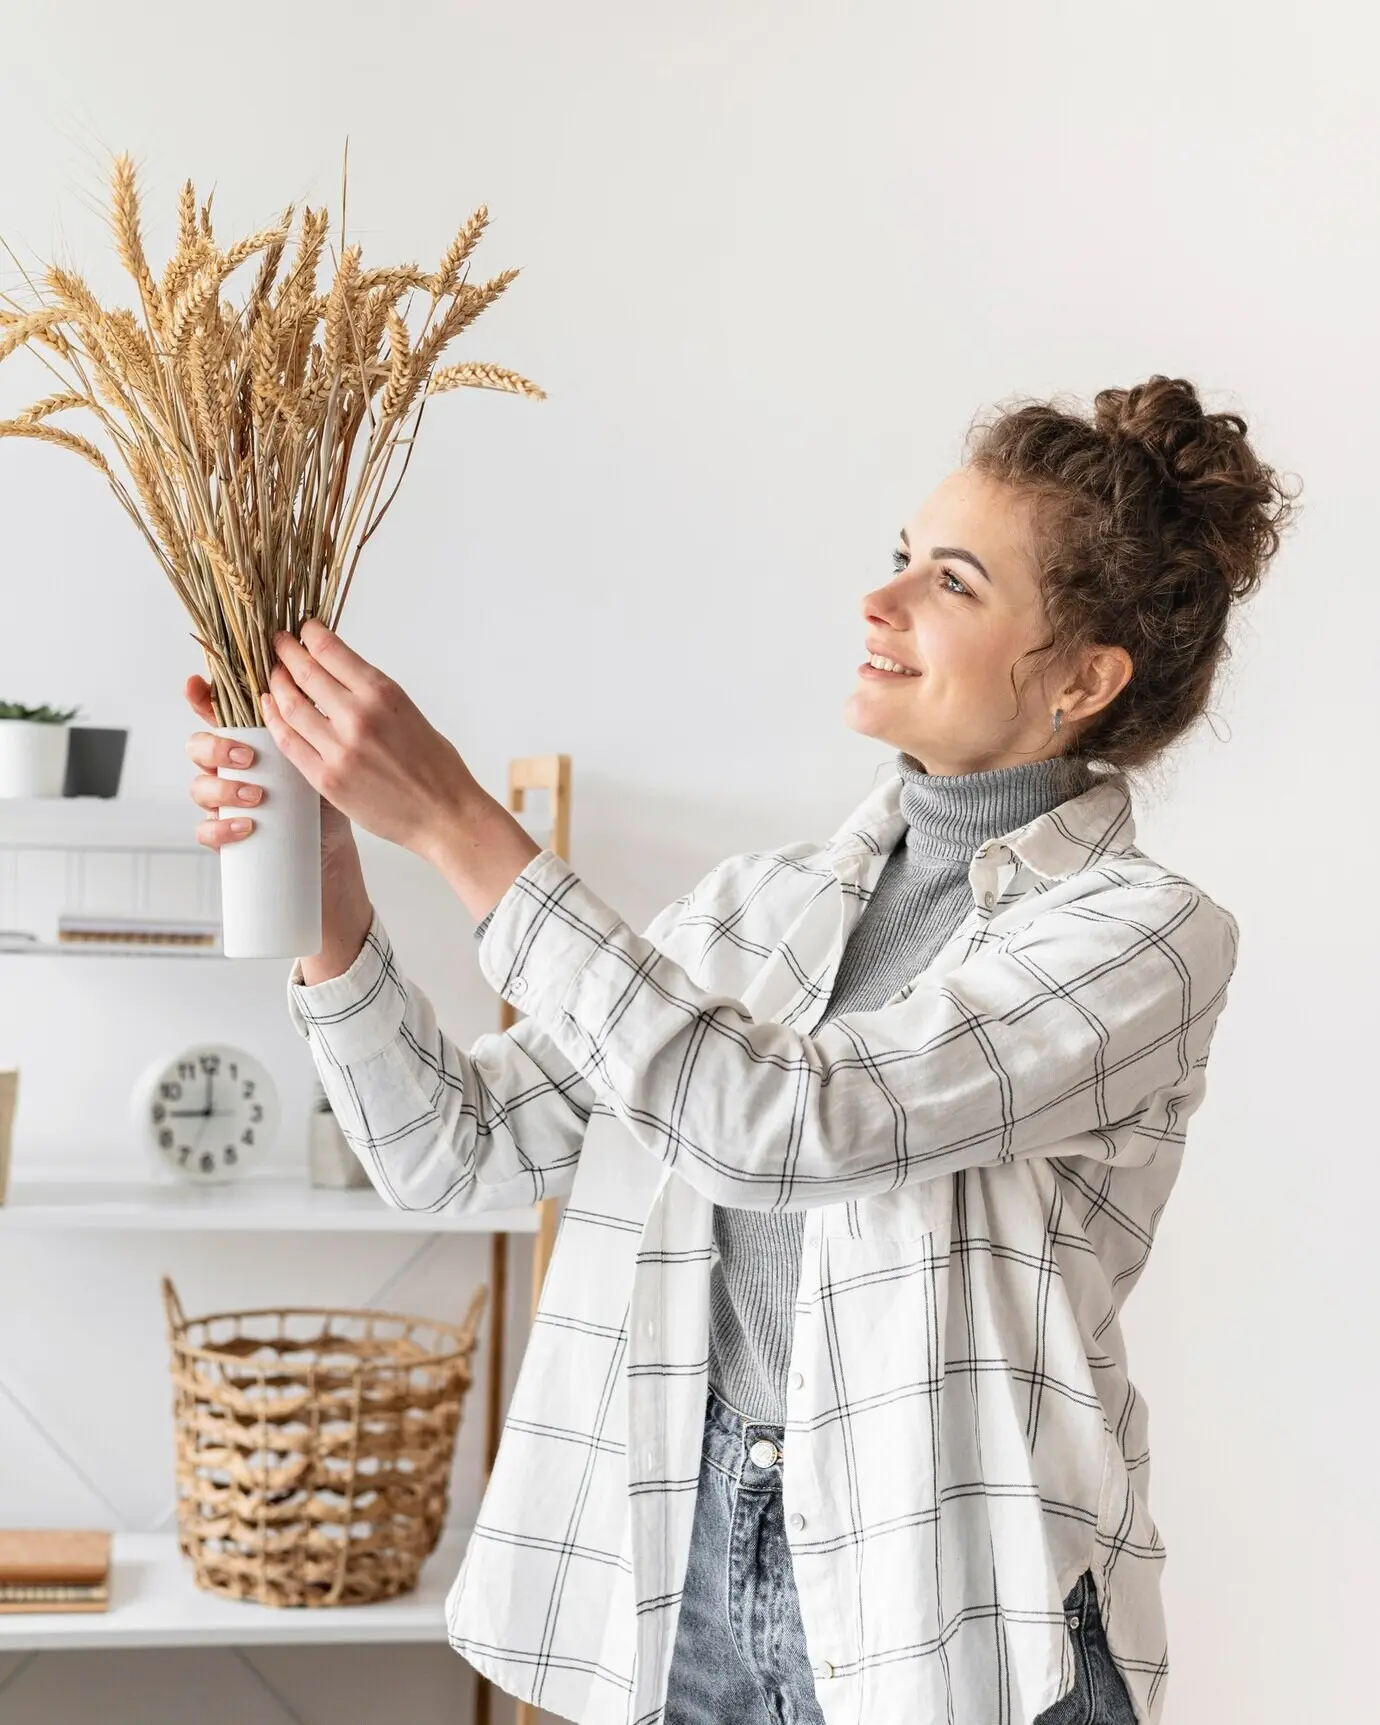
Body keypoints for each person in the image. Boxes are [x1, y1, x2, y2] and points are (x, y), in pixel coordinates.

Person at [185, 375, 1296, 1725]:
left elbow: (787, 1126)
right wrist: (331, 886)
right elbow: (450, 1152)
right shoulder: (754, 908)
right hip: (694, 1562)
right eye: (901, 557)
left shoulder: (1143, 938)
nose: (879, 601)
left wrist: (457, 825)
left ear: (1083, 677)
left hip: (950, 1602)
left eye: (951, 582)